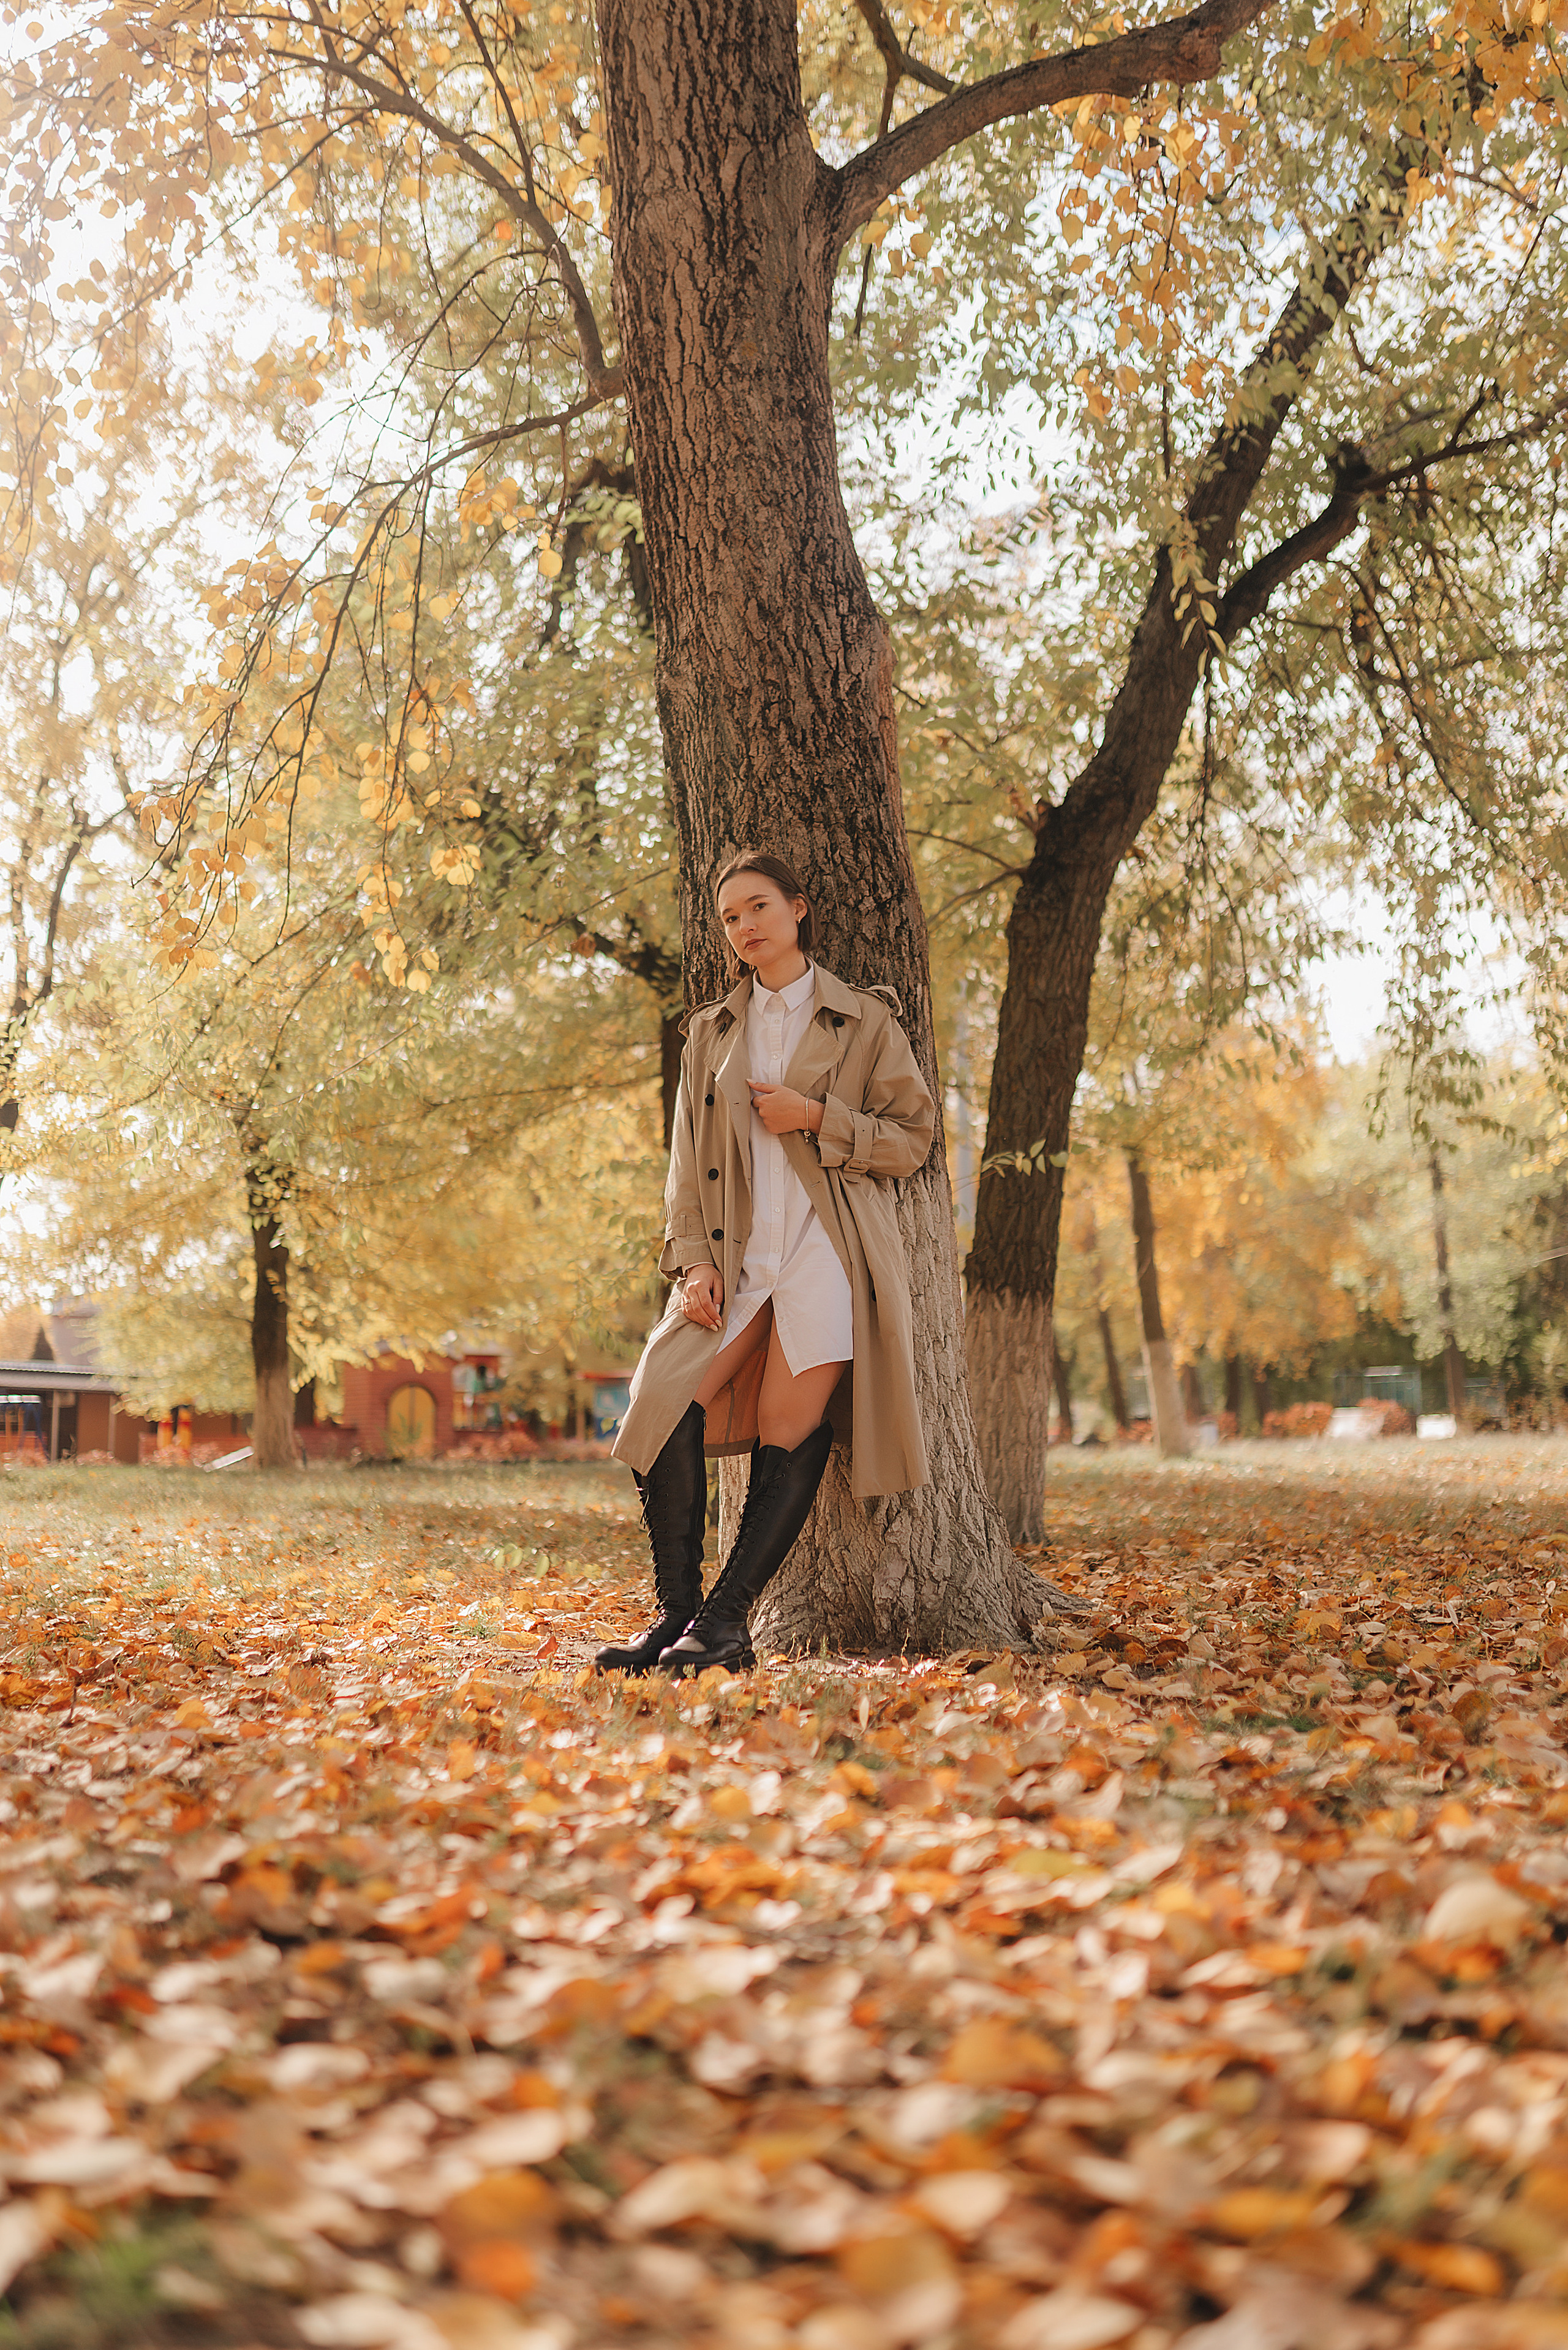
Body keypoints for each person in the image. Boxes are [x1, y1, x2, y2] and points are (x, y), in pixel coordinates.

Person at [598, 850, 937, 1678]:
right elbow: (686, 1162)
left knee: (790, 1425)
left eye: (758, 907)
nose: (745, 926)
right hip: (738, 1253)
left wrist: (818, 1115)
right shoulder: (710, 1030)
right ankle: (677, 1612)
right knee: (660, 1399)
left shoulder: (864, 1020)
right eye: (729, 917)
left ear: (799, 907)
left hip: (828, 1249)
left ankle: (725, 1624)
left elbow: (915, 1137)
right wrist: (690, 1264)